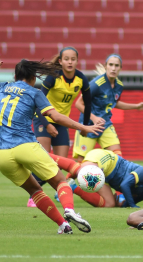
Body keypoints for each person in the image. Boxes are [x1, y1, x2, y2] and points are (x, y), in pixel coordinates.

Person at [0, 53, 104, 234]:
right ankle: (70, 211)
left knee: (35, 190)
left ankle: (63, 226)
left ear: (15, 76)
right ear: (33, 78)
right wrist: (83, 127)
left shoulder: (2, 87)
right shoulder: (34, 92)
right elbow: (56, 116)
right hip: (24, 146)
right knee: (59, 181)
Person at [28, 46, 92, 207]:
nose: (70, 62)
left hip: (62, 122)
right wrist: (47, 124)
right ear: (60, 61)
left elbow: (88, 102)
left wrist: (84, 126)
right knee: (44, 160)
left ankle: (59, 193)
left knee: (60, 164)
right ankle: (34, 195)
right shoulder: (53, 77)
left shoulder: (81, 79)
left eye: (73, 59)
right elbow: (37, 100)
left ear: (77, 61)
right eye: (66, 59)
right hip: (43, 119)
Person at [72, 54, 143, 162]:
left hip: (105, 125)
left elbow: (114, 103)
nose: (113, 68)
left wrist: (136, 106)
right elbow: (79, 104)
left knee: (118, 158)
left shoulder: (119, 85)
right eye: (111, 65)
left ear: (120, 68)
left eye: (116, 66)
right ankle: (68, 179)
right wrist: (94, 118)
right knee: (80, 163)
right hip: (88, 125)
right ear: (105, 66)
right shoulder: (96, 84)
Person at [48, 150, 143, 208]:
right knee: (85, 172)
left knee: (109, 204)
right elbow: (124, 185)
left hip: (105, 173)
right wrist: (132, 205)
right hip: (104, 160)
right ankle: (46, 154)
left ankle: (72, 186)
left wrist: (123, 203)